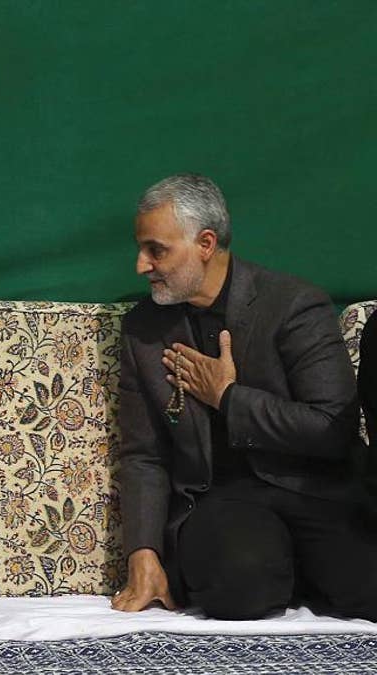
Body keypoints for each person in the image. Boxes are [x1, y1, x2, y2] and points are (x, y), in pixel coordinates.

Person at [110, 173, 376, 621]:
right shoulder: (144, 330)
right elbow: (143, 454)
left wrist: (229, 398)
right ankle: (283, 572)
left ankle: (301, 570)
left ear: (206, 243)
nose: (141, 264)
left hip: (315, 489)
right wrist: (143, 551)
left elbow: (332, 428)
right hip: (222, 499)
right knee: (239, 590)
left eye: (156, 249)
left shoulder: (294, 304)